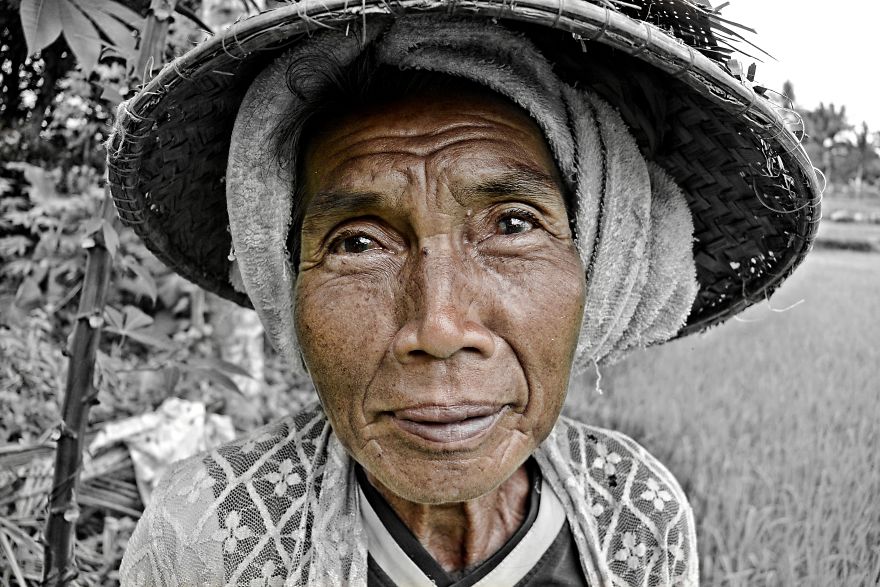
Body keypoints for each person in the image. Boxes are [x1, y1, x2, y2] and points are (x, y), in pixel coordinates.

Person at [108, 1, 820, 585]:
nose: (440, 324)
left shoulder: (638, 517)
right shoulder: (202, 536)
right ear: (286, 281)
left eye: (512, 224)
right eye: (357, 241)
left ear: (595, 271)